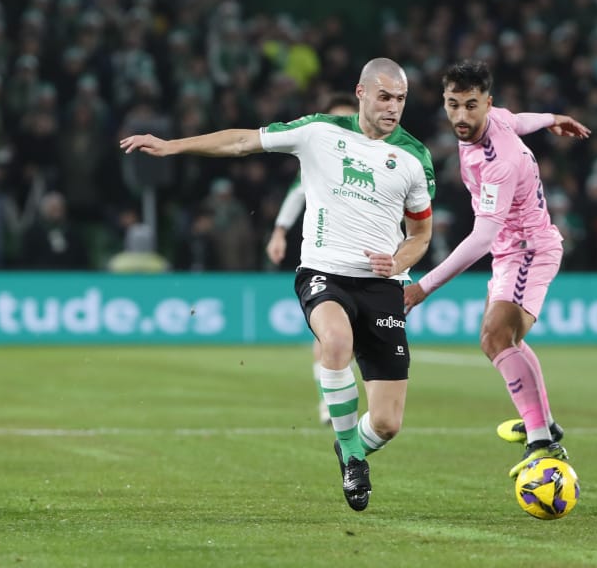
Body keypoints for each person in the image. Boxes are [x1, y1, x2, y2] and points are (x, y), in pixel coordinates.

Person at [121, 58, 435, 512]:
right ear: (361, 93)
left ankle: (352, 446)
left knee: (387, 423)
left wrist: (399, 260)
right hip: (325, 272)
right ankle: (350, 454)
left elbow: (420, 235)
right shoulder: (318, 132)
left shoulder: (414, 157)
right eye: (385, 97)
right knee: (335, 340)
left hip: (382, 285)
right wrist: (173, 146)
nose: (394, 108)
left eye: (401, 99)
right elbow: (242, 142)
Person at [402, 59, 591, 477]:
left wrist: (422, 288)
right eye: (453, 105)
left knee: (495, 337)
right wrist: (553, 119)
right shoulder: (498, 120)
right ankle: (543, 422)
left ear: (487, 102)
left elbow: (481, 240)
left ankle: (542, 442)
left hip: (527, 250)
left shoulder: (498, 163)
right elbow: (520, 119)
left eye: (471, 106)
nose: (461, 116)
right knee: (505, 340)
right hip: (512, 251)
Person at [266, 92, 361, 426]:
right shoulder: (318, 157)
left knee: (357, 337)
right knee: (329, 334)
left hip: (367, 257)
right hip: (326, 256)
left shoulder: (378, 154)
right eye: (335, 120)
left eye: (347, 119)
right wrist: (279, 231)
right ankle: (328, 400)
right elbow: (297, 193)